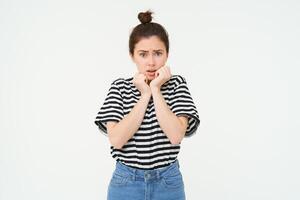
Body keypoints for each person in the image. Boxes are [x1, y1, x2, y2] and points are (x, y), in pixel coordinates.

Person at [94, 10, 200, 200]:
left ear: (167, 54)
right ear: (132, 55)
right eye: (143, 54)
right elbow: (117, 140)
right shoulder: (119, 87)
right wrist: (144, 95)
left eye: (158, 53)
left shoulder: (177, 85)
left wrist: (156, 90)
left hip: (168, 182)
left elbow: (176, 136)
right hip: (126, 182)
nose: (151, 62)